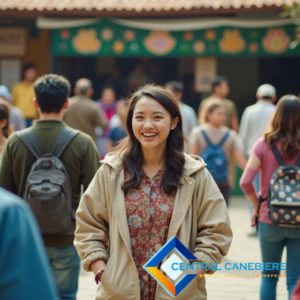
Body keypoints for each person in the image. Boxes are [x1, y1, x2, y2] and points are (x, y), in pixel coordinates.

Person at [74, 85, 232, 300]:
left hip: (178, 294)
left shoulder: (194, 174)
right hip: (120, 292)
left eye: (157, 117)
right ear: (130, 122)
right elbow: (88, 223)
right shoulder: (112, 172)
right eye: (139, 117)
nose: (148, 125)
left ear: (174, 122)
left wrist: (193, 272)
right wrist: (101, 269)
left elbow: (217, 230)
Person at [0, 74, 100, 300]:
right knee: (65, 296)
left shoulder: (15, 142)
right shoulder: (82, 142)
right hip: (66, 236)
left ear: (35, 103)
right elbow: (96, 194)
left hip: (27, 238)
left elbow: (4, 190)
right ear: (67, 103)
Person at [240, 95, 300, 300]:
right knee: (295, 280)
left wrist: (257, 207)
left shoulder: (263, 144)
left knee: (269, 276)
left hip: (269, 218)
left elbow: (245, 181)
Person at [0, 188, 59, 300]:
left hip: (29, 231)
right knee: (67, 293)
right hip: (63, 235)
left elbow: (6, 184)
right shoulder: (9, 210)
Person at [190, 99, 246, 205]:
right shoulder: (230, 135)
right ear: (209, 114)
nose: (222, 117)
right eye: (219, 114)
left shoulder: (198, 133)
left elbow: (193, 158)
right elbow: (193, 158)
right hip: (214, 181)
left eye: (224, 114)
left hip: (211, 181)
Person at [64, 78, 107, 143]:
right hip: (88, 144)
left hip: (69, 143)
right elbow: (104, 124)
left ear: (75, 90)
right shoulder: (94, 106)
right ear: (90, 91)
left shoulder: (66, 104)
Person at [239, 84, 276, 159]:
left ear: (257, 96)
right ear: (273, 98)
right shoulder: (276, 111)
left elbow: (243, 133)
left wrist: (241, 152)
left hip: (251, 152)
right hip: (271, 152)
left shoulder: (249, 110)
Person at [165, 80, 197, 152]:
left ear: (178, 94)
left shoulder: (189, 111)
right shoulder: (163, 109)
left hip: (184, 149)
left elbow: (193, 132)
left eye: (168, 93)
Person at [96, 87, 117, 157]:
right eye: (106, 95)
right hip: (100, 138)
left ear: (114, 97)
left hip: (113, 139)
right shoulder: (97, 107)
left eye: (110, 95)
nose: (108, 98)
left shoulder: (117, 107)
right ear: (102, 96)